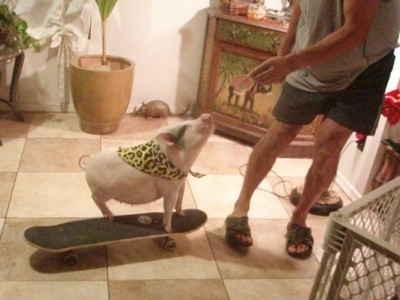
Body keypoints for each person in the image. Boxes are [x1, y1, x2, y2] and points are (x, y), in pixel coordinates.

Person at [225, 0, 400, 259]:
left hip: (365, 70)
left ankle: (299, 219)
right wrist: (283, 57)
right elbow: (300, 7)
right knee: (279, 133)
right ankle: (240, 208)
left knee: (329, 145)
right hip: (310, 63)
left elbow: (354, 32)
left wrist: (291, 62)